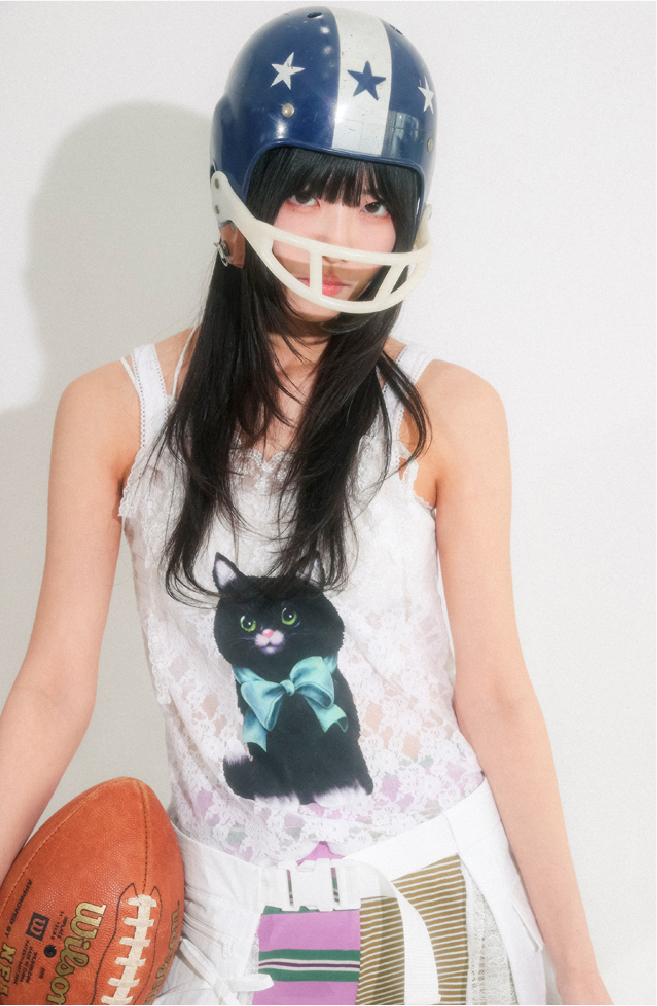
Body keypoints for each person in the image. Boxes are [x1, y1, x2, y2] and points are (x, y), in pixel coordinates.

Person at [0, 6, 612, 1006]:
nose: (340, 235)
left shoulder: (447, 412)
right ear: (241, 187)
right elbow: (54, 691)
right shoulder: (115, 413)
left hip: (424, 902)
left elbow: (497, 692)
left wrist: (577, 969)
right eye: (313, 189)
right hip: (232, 921)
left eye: (375, 201)